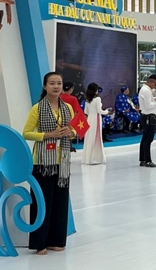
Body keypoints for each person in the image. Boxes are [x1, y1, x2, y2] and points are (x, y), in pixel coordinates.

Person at [22, 71, 75, 255]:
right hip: (42, 162)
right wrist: (49, 135)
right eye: (52, 83)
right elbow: (26, 133)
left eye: (59, 83)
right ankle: (40, 243)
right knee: (42, 202)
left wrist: (71, 133)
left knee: (60, 202)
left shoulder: (67, 108)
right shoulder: (37, 108)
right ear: (45, 86)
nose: (56, 86)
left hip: (63, 161)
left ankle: (56, 240)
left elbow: (74, 129)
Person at [82, 82, 109, 165]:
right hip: (96, 120)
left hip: (89, 119)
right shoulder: (97, 99)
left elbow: (85, 111)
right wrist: (106, 111)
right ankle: (95, 159)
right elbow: (99, 111)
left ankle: (87, 159)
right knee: (96, 138)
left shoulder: (87, 100)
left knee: (89, 138)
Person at [139, 74, 156, 168]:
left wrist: (154, 99)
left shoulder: (144, 90)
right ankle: (147, 160)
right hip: (148, 117)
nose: (154, 86)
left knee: (145, 138)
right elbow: (148, 106)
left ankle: (143, 159)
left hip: (146, 116)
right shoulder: (146, 91)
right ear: (151, 82)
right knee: (148, 139)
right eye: (155, 84)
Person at [61, 82, 79, 153]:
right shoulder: (73, 99)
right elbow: (76, 111)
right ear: (71, 89)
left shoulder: (58, 97)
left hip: (59, 119)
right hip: (69, 119)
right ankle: (69, 146)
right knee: (70, 132)